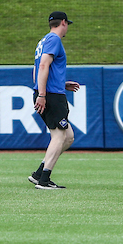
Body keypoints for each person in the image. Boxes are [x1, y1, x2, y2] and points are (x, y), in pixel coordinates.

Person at [29, 11, 80, 190]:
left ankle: (38, 174)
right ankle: (44, 179)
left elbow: (37, 70)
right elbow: (43, 66)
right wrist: (42, 94)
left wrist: (60, 83)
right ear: (63, 23)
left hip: (50, 92)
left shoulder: (43, 41)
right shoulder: (54, 40)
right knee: (59, 136)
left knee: (68, 136)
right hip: (51, 95)